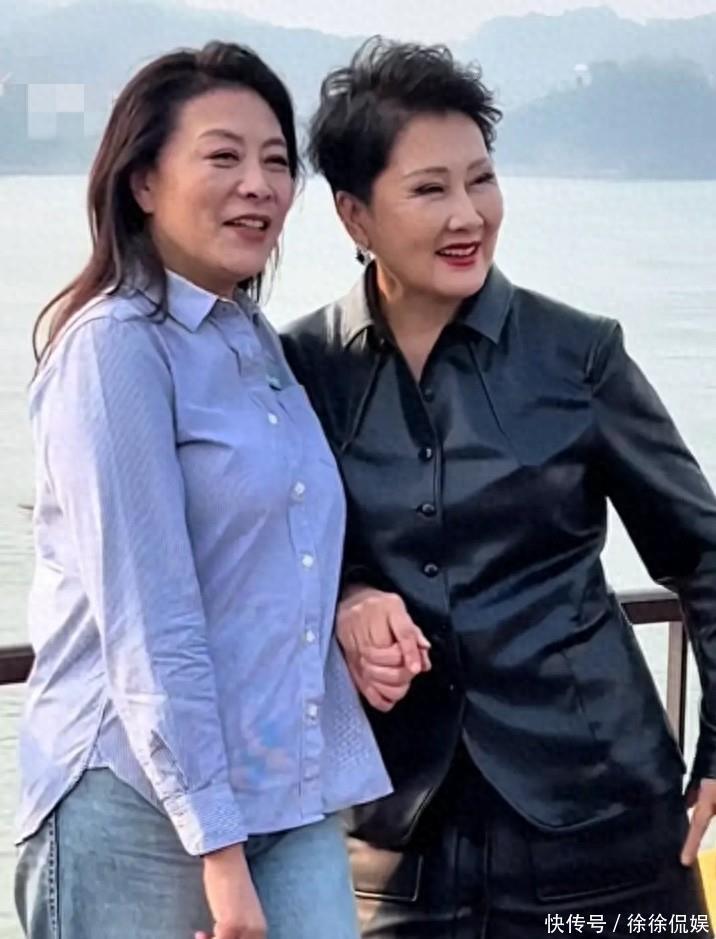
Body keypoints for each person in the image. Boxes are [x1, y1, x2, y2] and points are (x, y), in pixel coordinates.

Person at [281, 37, 716, 938]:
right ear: (355, 216)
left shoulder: (579, 355)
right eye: (430, 189)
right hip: (394, 845)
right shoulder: (300, 369)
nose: (468, 214)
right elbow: (262, 559)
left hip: (606, 833)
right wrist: (347, 597)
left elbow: (705, 556)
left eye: (481, 180)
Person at [14, 40, 393, 939]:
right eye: (223, 156)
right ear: (144, 181)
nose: (259, 185)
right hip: (137, 805)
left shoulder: (253, 341)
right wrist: (220, 858)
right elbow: (151, 624)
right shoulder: (113, 348)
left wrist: (353, 597)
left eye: (276, 162)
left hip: (285, 791)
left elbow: (280, 551)